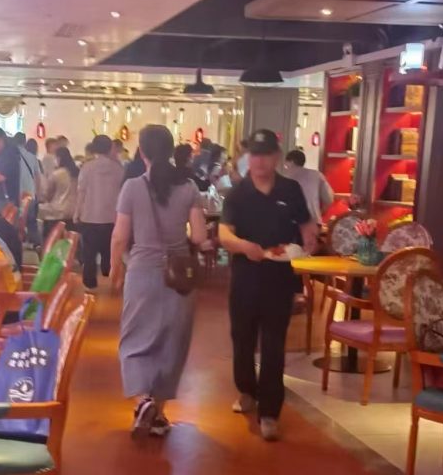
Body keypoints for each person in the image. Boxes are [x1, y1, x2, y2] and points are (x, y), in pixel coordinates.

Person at [219, 130, 317, 442]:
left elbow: (306, 223)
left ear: (276, 157)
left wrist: (309, 239)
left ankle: (270, 412)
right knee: (243, 339)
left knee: (274, 344)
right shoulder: (238, 192)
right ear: (249, 157)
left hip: (279, 279)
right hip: (245, 277)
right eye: (255, 155)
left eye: (265, 155)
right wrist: (243, 246)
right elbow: (224, 233)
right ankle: (247, 390)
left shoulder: (290, 189)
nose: (260, 161)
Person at [111, 125, 207, 436]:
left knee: (134, 341)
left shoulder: (132, 187)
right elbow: (200, 236)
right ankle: (159, 414)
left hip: (142, 272)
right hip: (180, 276)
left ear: (142, 152)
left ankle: (143, 402)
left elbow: (120, 236)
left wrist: (114, 267)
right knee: (172, 343)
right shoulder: (189, 188)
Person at [75, 135, 124, 290]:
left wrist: (77, 212)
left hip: (90, 216)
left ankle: (90, 283)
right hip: (111, 216)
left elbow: (81, 192)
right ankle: (109, 277)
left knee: (89, 253)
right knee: (109, 250)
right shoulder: (118, 168)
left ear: (94, 148)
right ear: (110, 148)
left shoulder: (87, 167)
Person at [280, 149, 334, 228]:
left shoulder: (283, 178)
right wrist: (319, 213)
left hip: (290, 223)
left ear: (291, 162)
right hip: (314, 222)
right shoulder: (317, 175)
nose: (285, 166)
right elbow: (329, 199)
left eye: (286, 163)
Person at [39, 146, 79, 239]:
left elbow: (48, 194)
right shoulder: (77, 173)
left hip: (57, 213)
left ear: (59, 158)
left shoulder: (56, 174)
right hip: (73, 213)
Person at [13, 132, 42, 247]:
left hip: (17, 195)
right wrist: (38, 195)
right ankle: (36, 245)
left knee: (16, 222)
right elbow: (38, 178)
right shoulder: (32, 157)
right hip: (30, 195)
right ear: (24, 142)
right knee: (31, 223)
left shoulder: (12, 157)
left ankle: (17, 245)